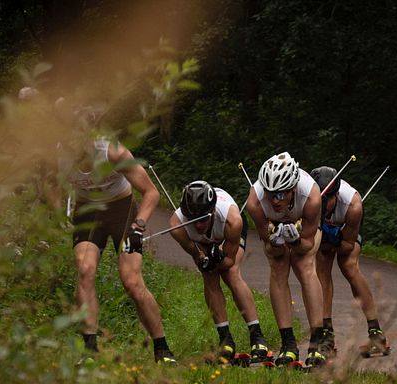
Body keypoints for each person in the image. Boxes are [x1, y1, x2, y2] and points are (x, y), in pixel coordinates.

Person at [61, 127, 177, 364]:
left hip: (121, 212)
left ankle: (161, 347)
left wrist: (139, 225)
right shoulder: (58, 155)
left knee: (131, 281)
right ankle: (89, 349)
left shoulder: (112, 152)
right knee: (85, 270)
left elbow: (151, 193)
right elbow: (51, 186)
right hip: (88, 212)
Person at [169, 181, 270, 363]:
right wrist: (203, 258)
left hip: (226, 235)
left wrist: (220, 255)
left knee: (231, 274)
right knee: (209, 275)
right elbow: (194, 250)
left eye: (203, 220)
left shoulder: (233, 220)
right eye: (194, 220)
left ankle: (257, 337)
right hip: (202, 243)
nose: (199, 225)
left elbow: (229, 261)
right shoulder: (177, 225)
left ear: (213, 211)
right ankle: (225, 340)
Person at [245, 152, 328, 367]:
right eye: (270, 194)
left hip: (303, 231)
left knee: (304, 265)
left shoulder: (311, 197)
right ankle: (288, 344)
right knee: (278, 266)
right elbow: (271, 247)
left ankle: (316, 344)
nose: (274, 200)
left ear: (293, 189)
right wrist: (275, 240)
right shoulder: (255, 202)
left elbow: (307, 246)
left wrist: (296, 239)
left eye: (281, 194)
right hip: (274, 228)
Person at [309, 166, 390, 356]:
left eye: (326, 201)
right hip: (326, 237)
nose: (322, 205)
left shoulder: (353, 205)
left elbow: (347, 245)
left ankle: (376, 333)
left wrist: (334, 238)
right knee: (322, 265)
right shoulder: (311, 201)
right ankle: (327, 337)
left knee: (349, 266)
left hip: (346, 234)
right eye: (319, 200)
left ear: (336, 195)